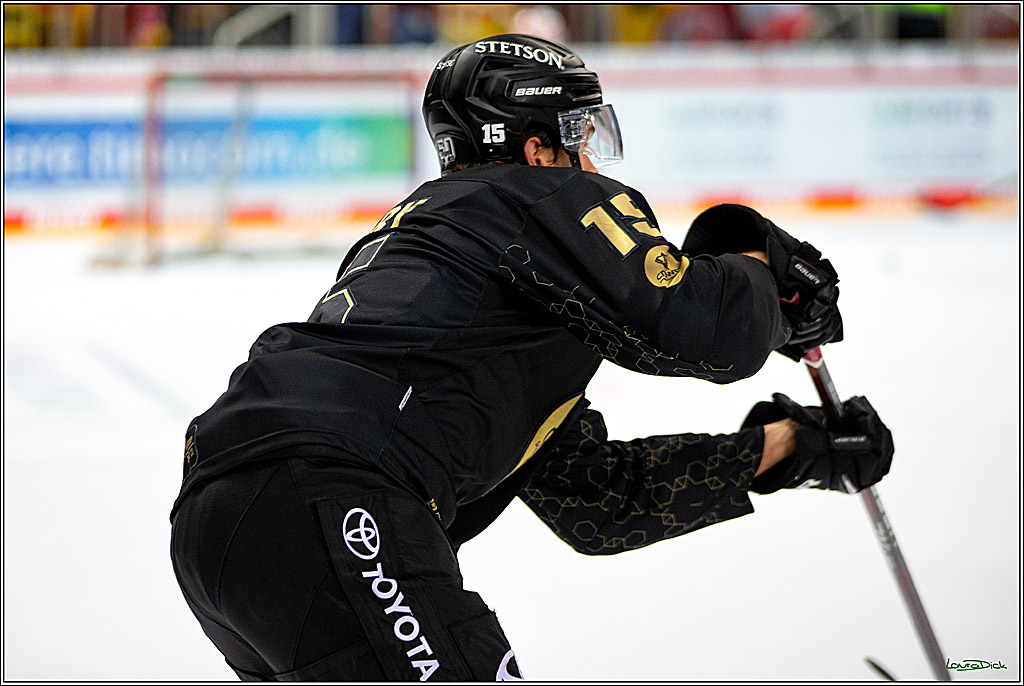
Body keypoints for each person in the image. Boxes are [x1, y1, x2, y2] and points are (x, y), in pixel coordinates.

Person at [169, 34, 893, 682]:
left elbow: (601, 501)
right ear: (535, 147)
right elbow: (706, 329)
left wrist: (791, 450)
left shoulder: (467, 282)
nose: (588, 160)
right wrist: (769, 270)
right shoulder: (531, 197)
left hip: (226, 521)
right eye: (580, 133)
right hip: (335, 497)